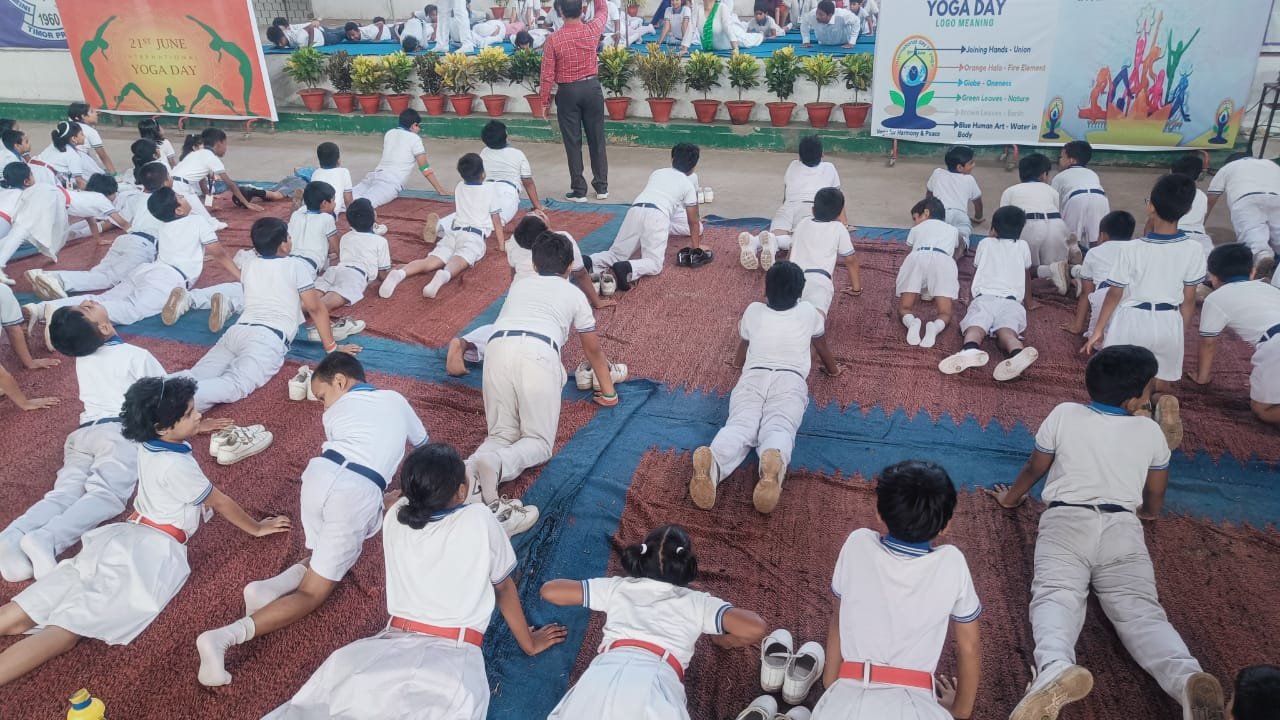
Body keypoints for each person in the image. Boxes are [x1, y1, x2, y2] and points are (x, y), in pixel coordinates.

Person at [0, 376, 290, 688]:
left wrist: (192, 426)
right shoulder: (177, 466)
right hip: (148, 553)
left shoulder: (148, 443)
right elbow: (220, 502)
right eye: (190, 413)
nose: (198, 416)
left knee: (27, 608)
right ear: (162, 427)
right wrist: (257, 528)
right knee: (67, 628)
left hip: (122, 538)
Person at [987, 345, 1226, 720]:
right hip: (1122, 527)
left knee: (1057, 596)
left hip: (1066, 521)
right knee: (1141, 613)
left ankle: (1054, 667)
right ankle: (1186, 678)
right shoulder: (1149, 431)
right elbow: (1156, 492)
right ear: (1135, 400)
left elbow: (1035, 467)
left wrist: (1010, 499)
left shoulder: (1064, 414)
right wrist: (1148, 513)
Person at [262, 443, 565, 719]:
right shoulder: (478, 518)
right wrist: (529, 643)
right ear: (461, 492)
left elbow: (402, 502)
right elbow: (504, 587)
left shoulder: (395, 516)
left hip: (381, 649)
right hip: (451, 660)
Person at [196, 352, 425, 687]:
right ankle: (222, 639)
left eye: (322, 397)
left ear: (340, 382)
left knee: (323, 550)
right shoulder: (396, 399)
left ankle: (268, 588)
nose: (323, 406)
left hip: (319, 474)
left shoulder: (335, 413)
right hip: (358, 490)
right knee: (312, 594)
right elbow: (423, 445)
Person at [0, 301, 168, 582]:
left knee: (64, 493)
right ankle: (47, 539)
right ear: (104, 327)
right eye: (86, 308)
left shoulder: (84, 354)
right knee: (106, 495)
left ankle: (11, 536)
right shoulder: (136, 355)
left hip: (83, 434)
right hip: (118, 433)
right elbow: (165, 400)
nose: (87, 301)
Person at [809, 460, 981, 720]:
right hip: (916, 706)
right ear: (946, 525)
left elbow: (838, 617)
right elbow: (969, 646)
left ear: (880, 513)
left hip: (847, 699)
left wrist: (832, 685)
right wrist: (960, 709)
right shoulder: (953, 562)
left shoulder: (857, 543)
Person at [541, 524, 768, 718]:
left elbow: (550, 591)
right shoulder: (697, 602)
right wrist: (723, 641)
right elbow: (755, 627)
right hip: (654, 681)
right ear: (684, 564)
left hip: (602, 673)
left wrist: (604, 588)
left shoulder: (618, 587)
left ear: (642, 557)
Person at [466, 232, 618, 516]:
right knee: (538, 442)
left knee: (501, 434)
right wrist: (609, 393)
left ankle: (468, 470)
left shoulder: (520, 285)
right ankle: (497, 465)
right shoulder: (574, 294)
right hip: (538, 353)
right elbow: (593, 350)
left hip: (496, 348)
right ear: (570, 265)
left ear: (534, 265)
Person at [691, 261, 843, 514]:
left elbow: (744, 344)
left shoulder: (753, 311)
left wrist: (737, 364)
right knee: (780, 425)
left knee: (740, 424)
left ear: (766, 289)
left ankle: (715, 460)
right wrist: (833, 369)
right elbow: (821, 345)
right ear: (800, 292)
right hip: (790, 379)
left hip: (753, 375)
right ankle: (772, 463)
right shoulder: (808, 312)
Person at [170, 217, 362, 413]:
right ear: (283, 246)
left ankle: (160, 391)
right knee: (235, 384)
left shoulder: (249, 264)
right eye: (288, 237)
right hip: (267, 339)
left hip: (237, 331)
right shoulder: (295, 266)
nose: (290, 240)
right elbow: (316, 309)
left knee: (196, 375)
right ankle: (169, 406)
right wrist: (333, 349)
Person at [1085, 173, 1206, 450]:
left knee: (1123, 380)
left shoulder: (1132, 249)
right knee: (1160, 376)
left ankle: (1139, 410)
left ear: (1150, 206)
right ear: (1188, 209)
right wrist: (1179, 330)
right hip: (1168, 320)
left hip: (1132, 320)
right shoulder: (1194, 249)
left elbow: (1114, 294)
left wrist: (1098, 330)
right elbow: (1189, 299)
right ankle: (1162, 400)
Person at [21, 188, 224, 334]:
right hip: (161, 269)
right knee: (130, 308)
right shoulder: (195, 220)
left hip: (144, 264)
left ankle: (42, 308)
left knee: (104, 295)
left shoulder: (143, 202)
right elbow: (220, 254)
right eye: (180, 196)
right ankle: (58, 305)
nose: (183, 197)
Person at [447, 212, 610, 376]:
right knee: (542, 335)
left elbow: (513, 273)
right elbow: (581, 274)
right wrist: (597, 301)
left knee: (504, 329)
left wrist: (515, 296)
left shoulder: (514, 242)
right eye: (538, 215)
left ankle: (466, 343)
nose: (538, 212)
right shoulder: (564, 239)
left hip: (519, 294)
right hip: (547, 309)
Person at [25, 163, 171, 300]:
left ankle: (46, 275)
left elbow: (116, 221)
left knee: (99, 274)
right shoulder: (167, 201)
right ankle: (56, 279)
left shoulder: (137, 197)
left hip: (126, 240)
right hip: (142, 243)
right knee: (109, 278)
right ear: (165, 182)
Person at [379, 153, 505, 300]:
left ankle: (401, 273)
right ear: (483, 174)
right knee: (459, 259)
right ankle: (444, 275)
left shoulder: (459, 187)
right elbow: (496, 220)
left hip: (453, 233)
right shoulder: (491, 189)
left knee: (429, 261)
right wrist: (502, 245)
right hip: (474, 236)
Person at [938, 206, 1038, 381]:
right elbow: (1026, 276)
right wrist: (1029, 302)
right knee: (1007, 332)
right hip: (1012, 302)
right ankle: (1017, 353)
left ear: (993, 229)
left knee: (976, 326)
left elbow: (976, 273)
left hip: (984, 298)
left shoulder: (985, 244)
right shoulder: (1023, 246)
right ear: (1020, 230)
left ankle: (970, 349)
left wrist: (970, 298)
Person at [588, 143, 706, 290]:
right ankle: (628, 268)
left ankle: (590, 261)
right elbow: (693, 221)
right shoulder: (688, 184)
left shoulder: (657, 173)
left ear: (672, 159)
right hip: (658, 216)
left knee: (617, 253)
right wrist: (696, 248)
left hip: (635, 209)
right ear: (694, 167)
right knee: (654, 263)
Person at [1188, 243, 1280, 426]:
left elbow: (1208, 343)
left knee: (1263, 409)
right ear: (1252, 272)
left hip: (1275, 344)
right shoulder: (1270, 288)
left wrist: (1202, 378)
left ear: (1212, 277)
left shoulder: (1215, 298)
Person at [540, 0, 611, 201]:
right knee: (597, 139)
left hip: (568, 92)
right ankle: (602, 187)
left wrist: (544, 101)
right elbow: (603, 9)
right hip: (592, 88)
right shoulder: (592, 30)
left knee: (572, 142)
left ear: (561, 12)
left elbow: (547, 74)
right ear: (582, 10)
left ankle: (579, 190)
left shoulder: (554, 39)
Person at [739, 136, 842, 271]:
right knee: (804, 240)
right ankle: (774, 242)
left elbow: (786, 195)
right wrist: (843, 223)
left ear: (799, 156)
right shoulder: (830, 168)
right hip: (812, 208)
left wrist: (785, 207)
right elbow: (837, 198)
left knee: (777, 232)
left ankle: (755, 242)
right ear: (822, 154)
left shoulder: (793, 165)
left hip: (788, 206)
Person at [1001, 153, 1072, 295]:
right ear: (1044, 175)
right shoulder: (1052, 191)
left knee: (1022, 267)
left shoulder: (1010, 191)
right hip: (1056, 226)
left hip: (1028, 226)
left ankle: (1048, 271)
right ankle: (1070, 271)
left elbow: (1003, 220)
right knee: (1056, 265)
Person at [895, 197, 961, 348]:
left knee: (904, 308)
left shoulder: (916, 229)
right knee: (945, 313)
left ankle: (912, 322)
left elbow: (910, 249)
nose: (915, 223)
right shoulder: (953, 230)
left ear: (926, 213)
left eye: (915, 218)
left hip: (918, 257)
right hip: (943, 261)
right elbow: (956, 247)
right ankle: (935, 327)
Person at [788, 187, 862, 319]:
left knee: (786, 312)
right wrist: (856, 288)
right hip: (819, 281)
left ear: (812, 209)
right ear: (839, 214)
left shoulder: (802, 222)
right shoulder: (839, 228)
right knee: (816, 319)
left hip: (791, 277)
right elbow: (850, 260)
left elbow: (791, 251)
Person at [352, 109, 450, 209]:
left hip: (373, 176)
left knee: (347, 200)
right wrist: (440, 189)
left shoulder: (389, 133)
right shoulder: (415, 139)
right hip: (389, 183)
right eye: (419, 126)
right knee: (365, 206)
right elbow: (425, 168)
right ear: (414, 125)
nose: (419, 129)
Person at [312, 198, 391, 315]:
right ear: (374, 217)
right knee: (327, 302)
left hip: (335, 270)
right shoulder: (380, 241)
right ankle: (306, 314)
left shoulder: (346, 237)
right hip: (355, 275)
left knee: (314, 295)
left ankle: (297, 309)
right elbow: (382, 275)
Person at [1206, 152, 1280, 276]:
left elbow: (1211, 198)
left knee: (1253, 235)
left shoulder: (1228, 167)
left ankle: (1262, 256)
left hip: (1246, 200)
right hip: (1276, 198)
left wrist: (1200, 222)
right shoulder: (1270, 164)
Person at [1063, 210, 1135, 339]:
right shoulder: (1138, 250)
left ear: (1102, 235)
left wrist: (1077, 326)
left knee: (1099, 342)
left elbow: (1086, 292)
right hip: (1134, 301)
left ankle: (1072, 269)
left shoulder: (1094, 252)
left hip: (1104, 298)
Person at [170, 127, 263, 214]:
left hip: (171, 185)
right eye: (225, 144)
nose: (226, 148)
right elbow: (229, 184)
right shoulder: (211, 157)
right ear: (218, 144)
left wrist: (209, 205)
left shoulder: (195, 154)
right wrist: (246, 203)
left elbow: (203, 186)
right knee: (206, 221)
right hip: (181, 188)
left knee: (200, 217)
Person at [1052, 140, 1109, 253]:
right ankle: (1095, 257)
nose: (1059, 160)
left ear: (1072, 160)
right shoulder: (1092, 174)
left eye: (1062, 157)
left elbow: (1054, 204)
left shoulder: (1059, 177)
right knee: (1096, 237)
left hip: (1076, 200)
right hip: (1101, 200)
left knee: (1070, 239)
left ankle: (1072, 259)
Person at [926, 145, 984, 246]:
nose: (974, 165)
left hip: (939, 212)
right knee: (962, 238)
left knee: (933, 236)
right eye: (971, 163)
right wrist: (978, 217)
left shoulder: (937, 173)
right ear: (960, 167)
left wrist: (929, 211)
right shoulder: (969, 179)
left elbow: (929, 194)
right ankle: (959, 249)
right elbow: (977, 202)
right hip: (959, 215)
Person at [1167, 154, 1213, 262]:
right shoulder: (1202, 196)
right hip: (1201, 242)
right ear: (1199, 175)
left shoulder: (1165, 192)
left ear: (1171, 172)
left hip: (1171, 237)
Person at [287, 180, 338, 275]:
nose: (335, 203)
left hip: (290, 260)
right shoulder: (327, 218)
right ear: (324, 203)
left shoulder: (296, 215)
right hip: (310, 264)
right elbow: (335, 245)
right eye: (333, 200)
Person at [687, 0, 764, 53]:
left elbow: (727, 24)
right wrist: (684, 47)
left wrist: (735, 48)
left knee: (746, 40)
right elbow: (691, 26)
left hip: (726, 26)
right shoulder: (698, 7)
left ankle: (761, 36)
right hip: (713, 31)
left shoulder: (723, 6)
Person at [36, 121, 89, 189]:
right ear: (73, 139)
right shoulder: (72, 155)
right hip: (44, 178)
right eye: (81, 134)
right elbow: (79, 181)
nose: (84, 136)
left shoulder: (54, 145)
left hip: (32, 172)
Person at [66, 102, 115, 176]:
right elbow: (102, 155)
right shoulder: (91, 131)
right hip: (77, 167)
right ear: (83, 116)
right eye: (92, 112)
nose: (96, 113)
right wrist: (114, 173)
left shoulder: (66, 126)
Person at [310, 141, 355, 215]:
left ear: (319, 160)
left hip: (313, 213)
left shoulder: (315, 173)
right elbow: (348, 200)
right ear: (338, 160)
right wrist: (352, 216)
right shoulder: (344, 172)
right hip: (332, 213)